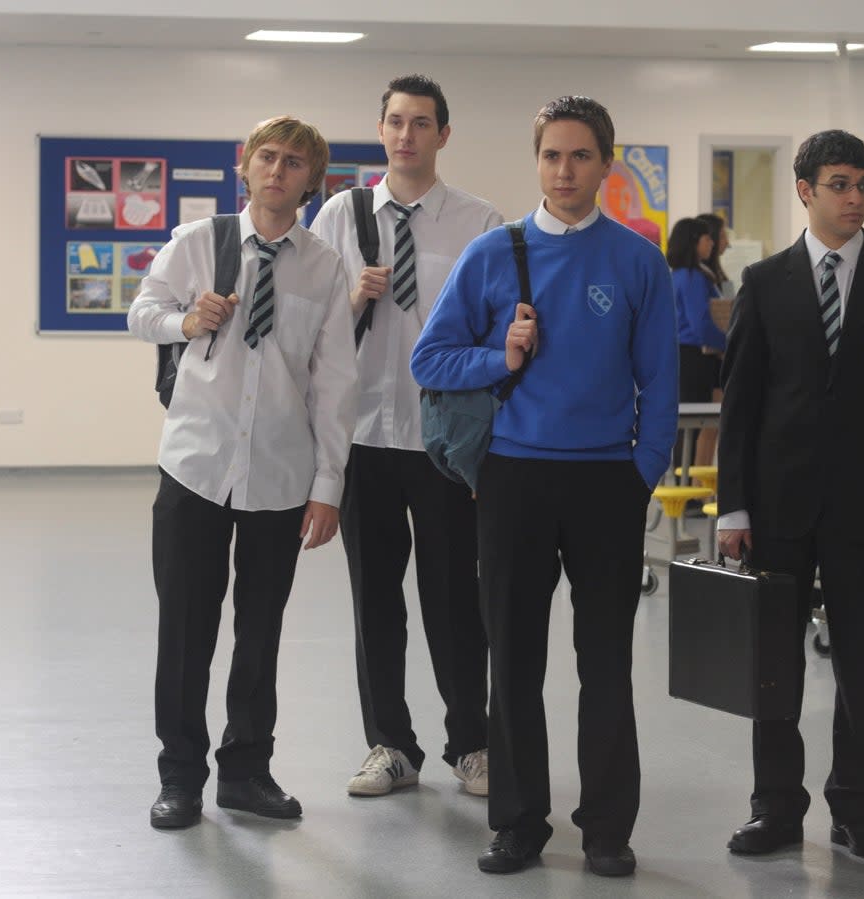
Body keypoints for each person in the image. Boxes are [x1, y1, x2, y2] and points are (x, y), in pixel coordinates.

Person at [411, 95, 678, 878]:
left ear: (606, 163)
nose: (566, 171)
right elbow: (432, 360)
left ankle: (605, 827)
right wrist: (502, 358)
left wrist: (640, 473)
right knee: (515, 660)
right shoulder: (494, 253)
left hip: (606, 483)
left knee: (606, 661)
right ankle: (519, 823)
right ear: (537, 162)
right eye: (552, 156)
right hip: (515, 480)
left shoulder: (637, 261)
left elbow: (660, 383)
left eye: (582, 156)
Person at [717, 129, 864, 858]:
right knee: (773, 667)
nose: (855, 198)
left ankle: (857, 806)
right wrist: (734, 506)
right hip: (778, 514)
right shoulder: (765, 283)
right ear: (805, 190)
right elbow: (740, 407)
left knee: (858, 661)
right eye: (841, 184)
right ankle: (775, 807)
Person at [128, 115, 358, 829]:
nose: (278, 170)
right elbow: (141, 312)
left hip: (280, 477)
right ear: (245, 165)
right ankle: (180, 778)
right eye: (268, 157)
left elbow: (336, 383)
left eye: (294, 163)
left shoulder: (323, 267)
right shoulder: (199, 243)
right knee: (186, 628)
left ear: (311, 181)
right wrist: (185, 321)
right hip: (195, 467)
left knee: (261, 628)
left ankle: (247, 770)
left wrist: (328, 486)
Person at [309, 74, 502, 799]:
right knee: (375, 601)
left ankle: (472, 743)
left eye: (421, 123)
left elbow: (495, 328)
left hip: (443, 442)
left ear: (443, 134)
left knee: (455, 598)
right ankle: (390, 743)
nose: (406, 135)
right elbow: (310, 329)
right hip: (362, 437)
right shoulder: (338, 215)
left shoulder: (480, 224)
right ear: (381, 129)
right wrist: (349, 296)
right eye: (395, 121)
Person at [668, 217, 725, 474]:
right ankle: (690, 493)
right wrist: (729, 343)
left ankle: (689, 489)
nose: (711, 244)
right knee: (692, 426)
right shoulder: (692, 277)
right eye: (706, 239)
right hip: (694, 357)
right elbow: (701, 325)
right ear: (694, 242)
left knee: (689, 428)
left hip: (685, 356)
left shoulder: (680, 275)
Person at [697, 212, 735, 299]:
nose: (727, 242)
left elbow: (731, 303)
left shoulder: (719, 272)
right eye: (722, 236)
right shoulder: (699, 276)